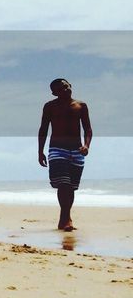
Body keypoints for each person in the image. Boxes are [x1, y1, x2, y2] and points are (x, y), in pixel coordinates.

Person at [38, 78, 93, 231]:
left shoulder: (81, 106)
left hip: (77, 150)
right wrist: (40, 151)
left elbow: (87, 129)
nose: (65, 90)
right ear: (54, 93)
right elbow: (43, 129)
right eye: (60, 89)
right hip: (57, 149)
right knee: (63, 184)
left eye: (66, 86)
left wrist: (86, 146)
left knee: (71, 187)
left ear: (71, 86)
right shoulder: (50, 106)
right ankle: (66, 219)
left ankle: (65, 218)